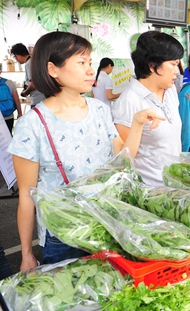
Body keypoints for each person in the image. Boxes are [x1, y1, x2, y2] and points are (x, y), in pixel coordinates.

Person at [8, 31, 165, 271]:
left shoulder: (100, 110)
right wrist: (27, 253)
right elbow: (27, 197)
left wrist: (137, 123)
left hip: (107, 224)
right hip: (64, 236)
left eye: (90, 62)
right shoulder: (33, 124)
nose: (90, 70)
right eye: (81, 63)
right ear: (53, 69)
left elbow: (122, 161)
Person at [113, 30, 183, 186]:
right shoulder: (128, 101)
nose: (177, 72)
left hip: (175, 184)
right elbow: (124, 159)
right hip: (151, 191)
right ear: (152, 66)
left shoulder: (170, 91)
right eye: (173, 64)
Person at [11, 43, 46, 108]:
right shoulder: (35, 61)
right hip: (45, 98)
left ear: (17, 56)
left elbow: (34, 84)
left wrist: (25, 92)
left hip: (38, 99)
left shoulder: (29, 64)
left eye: (14, 57)